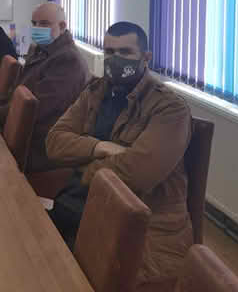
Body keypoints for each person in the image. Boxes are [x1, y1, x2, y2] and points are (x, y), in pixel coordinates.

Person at [45, 21, 193, 286]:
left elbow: (137, 174)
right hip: (85, 209)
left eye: (125, 52)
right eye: (110, 52)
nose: (115, 59)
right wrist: (98, 147)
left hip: (141, 230)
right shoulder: (96, 91)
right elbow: (54, 142)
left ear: (146, 58)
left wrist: (84, 166)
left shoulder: (169, 108)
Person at [0, 2, 89, 172]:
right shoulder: (40, 49)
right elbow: (17, 91)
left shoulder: (67, 60)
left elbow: (37, 107)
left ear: (62, 26)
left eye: (44, 24)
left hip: (39, 144)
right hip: (21, 130)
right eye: (34, 23)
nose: (37, 28)